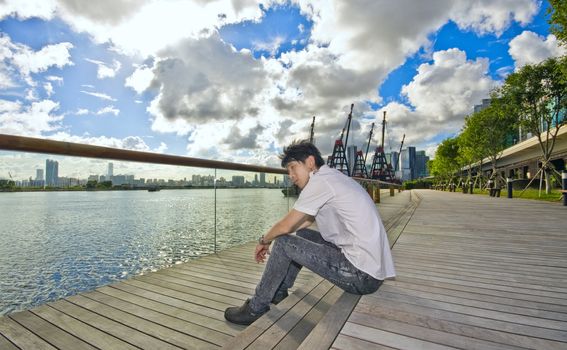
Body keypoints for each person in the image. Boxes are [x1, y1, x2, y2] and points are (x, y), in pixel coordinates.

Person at [224, 140, 396, 325]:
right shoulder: (332, 177)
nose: (290, 175)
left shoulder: (321, 182)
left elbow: (286, 226)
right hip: (370, 271)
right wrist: (280, 234)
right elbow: (305, 221)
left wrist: (264, 240)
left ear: (310, 162)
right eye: (287, 171)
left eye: (292, 167)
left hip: (361, 276)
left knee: (283, 242)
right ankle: (278, 291)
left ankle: (256, 308)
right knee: (302, 235)